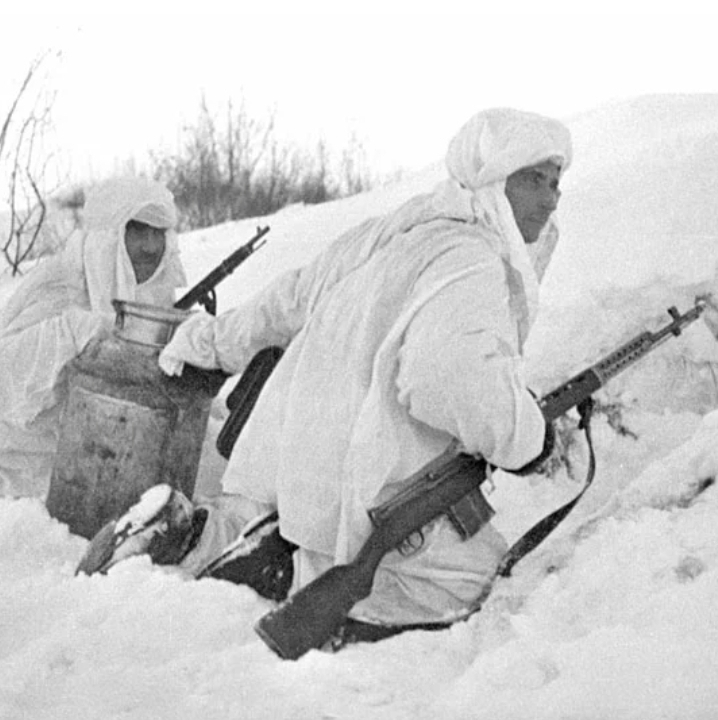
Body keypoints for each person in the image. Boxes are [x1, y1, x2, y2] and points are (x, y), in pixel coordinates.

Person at [79, 109, 573, 637]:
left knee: (267, 519)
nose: (549, 199)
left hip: (293, 454)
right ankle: (288, 574)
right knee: (474, 584)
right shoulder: (471, 259)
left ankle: (200, 536)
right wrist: (529, 437)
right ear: (491, 180)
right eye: (532, 180)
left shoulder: (401, 228)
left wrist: (205, 342)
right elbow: (444, 381)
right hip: (367, 473)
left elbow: (288, 299)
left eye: (555, 183)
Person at [0, 176, 188, 498]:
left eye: (158, 232)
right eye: (137, 230)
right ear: (110, 236)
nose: (151, 246)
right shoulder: (61, 285)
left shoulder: (150, 283)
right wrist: (73, 332)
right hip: (21, 443)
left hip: (108, 431)